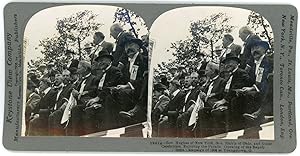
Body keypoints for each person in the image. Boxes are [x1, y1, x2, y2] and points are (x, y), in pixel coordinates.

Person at [211, 53, 252, 132]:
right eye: (225, 63)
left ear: (236, 63)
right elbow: (225, 90)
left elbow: (236, 88)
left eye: (229, 62)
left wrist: (224, 100)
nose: (227, 65)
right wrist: (215, 95)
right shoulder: (230, 76)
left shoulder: (241, 73)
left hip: (237, 101)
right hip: (228, 101)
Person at [67, 61, 100, 136]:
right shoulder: (81, 80)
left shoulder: (94, 79)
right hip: (80, 102)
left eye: (79, 68)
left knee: (75, 109)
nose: (77, 70)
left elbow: (95, 91)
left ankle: (77, 135)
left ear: (85, 69)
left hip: (88, 102)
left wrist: (85, 92)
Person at [176, 72, 201, 138]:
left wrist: (187, 112)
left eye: (195, 78)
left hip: (193, 111)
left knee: (181, 118)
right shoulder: (190, 91)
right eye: (192, 78)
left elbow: (196, 102)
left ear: (198, 79)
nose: (193, 80)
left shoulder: (199, 89)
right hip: (186, 111)